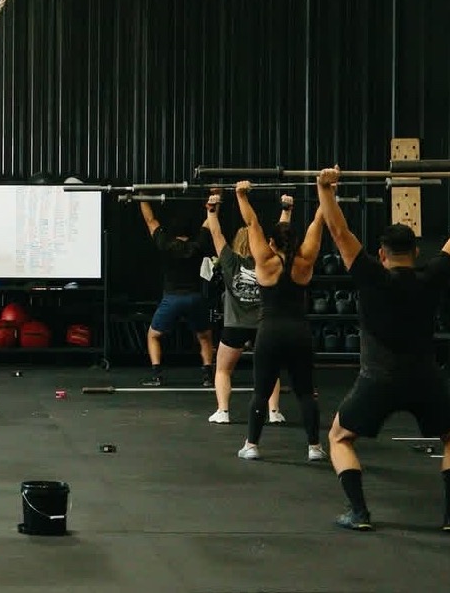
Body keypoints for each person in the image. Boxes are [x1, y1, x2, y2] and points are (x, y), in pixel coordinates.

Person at [316, 166, 450, 532]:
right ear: (415, 251)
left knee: (339, 437)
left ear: (381, 254)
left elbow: (338, 231)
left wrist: (325, 188)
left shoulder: (370, 275)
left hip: (377, 379)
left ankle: (359, 513)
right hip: (424, 379)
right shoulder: (432, 277)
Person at [233, 181, 327, 462]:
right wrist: (327, 192)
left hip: (270, 333)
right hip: (299, 332)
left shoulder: (264, 260)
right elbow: (319, 220)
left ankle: (251, 445)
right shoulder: (305, 261)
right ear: (295, 242)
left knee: (261, 392)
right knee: (306, 392)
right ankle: (314, 447)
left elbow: (252, 223)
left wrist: (241, 194)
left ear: (272, 243)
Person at [202, 192, 288, 424]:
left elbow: (216, 233)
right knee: (270, 370)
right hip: (263, 326)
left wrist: (211, 210)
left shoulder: (230, 260)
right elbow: (282, 234)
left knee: (223, 370)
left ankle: (223, 411)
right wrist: (286, 209)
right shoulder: (268, 261)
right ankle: (274, 412)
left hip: (235, 326)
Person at [137, 201, 214, 387]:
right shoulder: (198, 244)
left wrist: (142, 198)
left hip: (172, 299)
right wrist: (214, 200)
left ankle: (157, 375)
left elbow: (150, 220)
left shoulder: (165, 244)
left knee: (153, 336)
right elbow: (210, 220)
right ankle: (207, 376)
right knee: (205, 337)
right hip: (195, 298)